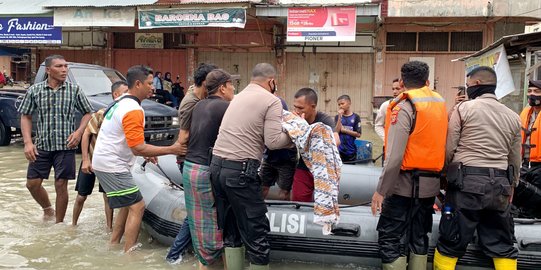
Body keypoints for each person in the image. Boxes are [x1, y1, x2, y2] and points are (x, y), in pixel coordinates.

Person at [433, 66, 521, 270]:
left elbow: (449, 149)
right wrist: (512, 185)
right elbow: (514, 159)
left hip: (466, 184)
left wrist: (444, 175)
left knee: (450, 241)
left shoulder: (463, 109)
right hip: (500, 186)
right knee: (503, 245)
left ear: (477, 84)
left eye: (468, 83)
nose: (466, 87)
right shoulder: (513, 116)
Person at [91, 65, 183, 253]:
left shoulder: (121, 101)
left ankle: (114, 243)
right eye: (149, 83)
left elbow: (126, 140)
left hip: (105, 162)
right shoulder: (133, 109)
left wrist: (148, 154)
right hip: (112, 165)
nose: (153, 87)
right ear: (138, 83)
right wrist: (171, 149)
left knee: (128, 205)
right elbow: (137, 147)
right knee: (138, 206)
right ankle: (129, 253)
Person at [210, 63, 292, 270]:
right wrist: (295, 136)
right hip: (240, 172)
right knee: (257, 233)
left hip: (217, 169)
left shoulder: (237, 97)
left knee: (231, 231)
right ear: (271, 81)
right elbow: (273, 142)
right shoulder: (271, 101)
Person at [370, 61, 447, 270]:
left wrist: (381, 191)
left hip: (403, 187)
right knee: (419, 236)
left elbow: (394, 157)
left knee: (390, 237)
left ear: (402, 82)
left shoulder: (404, 107)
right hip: (429, 188)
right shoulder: (440, 106)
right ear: (427, 82)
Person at [18, 55, 93, 223]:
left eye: (66, 66)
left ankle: (59, 224)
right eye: (59, 66)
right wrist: (28, 142)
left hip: (66, 145)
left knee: (61, 185)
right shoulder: (35, 90)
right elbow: (26, 116)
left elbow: (88, 113)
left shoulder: (74, 90)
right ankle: (47, 210)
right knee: (32, 184)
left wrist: (79, 132)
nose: (64, 69)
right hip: (42, 145)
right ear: (48, 70)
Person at [183, 69, 236, 269]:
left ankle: (203, 263)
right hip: (206, 171)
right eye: (231, 85)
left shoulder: (199, 105)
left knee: (200, 227)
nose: (233, 89)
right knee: (216, 225)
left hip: (190, 168)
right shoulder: (225, 108)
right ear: (222, 88)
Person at [166, 63, 218, 263]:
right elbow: (184, 136)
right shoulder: (191, 104)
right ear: (205, 83)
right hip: (191, 162)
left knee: (197, 212)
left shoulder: (198, 98)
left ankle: (186, 252)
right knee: (194, 214)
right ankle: (173, 255)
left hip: (196, 161)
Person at [72, 81, 129, 230]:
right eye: (125, 92)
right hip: (91, 160)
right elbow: (86, 134)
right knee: (81, 196)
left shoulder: (125, 114)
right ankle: (73, 225)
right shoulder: (101, 113)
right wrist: (85, 159)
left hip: (108, 163)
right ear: (116, 95)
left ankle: (109, 228)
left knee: (108, 197)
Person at [290, 88, 340, 202]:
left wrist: (307, 133)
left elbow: (336, 141)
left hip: (325, 167)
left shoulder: (324, 120)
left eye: (301, 108)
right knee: (298, 201)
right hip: (304, 166)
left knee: (327, 203)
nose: (296, 111)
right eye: (295, 107)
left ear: (313, 106)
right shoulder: (294, 119)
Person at [512, 79, 541, 218]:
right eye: (529, 91)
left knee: (537, 198)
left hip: (539, 165)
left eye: (536, 91)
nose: (532, 94)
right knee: (523, 195)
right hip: (525, 163)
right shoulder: (526, 113)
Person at [260, 97, 298, 201]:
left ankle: (284, 214)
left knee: (284, 192)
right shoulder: (264, 118)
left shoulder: (289, 121)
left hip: (286, 160)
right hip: (269, 158)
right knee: (262, 188)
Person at [335, 95, 362, 162]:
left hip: (351, 151)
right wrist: (339, 117)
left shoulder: (356, 117)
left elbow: (358, 134)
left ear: (349, 103)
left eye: (342, 103)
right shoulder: (337, 117)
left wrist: (345, 131)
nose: (340, 106)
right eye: (339, 104)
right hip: (339, 151)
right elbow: (336, 132)